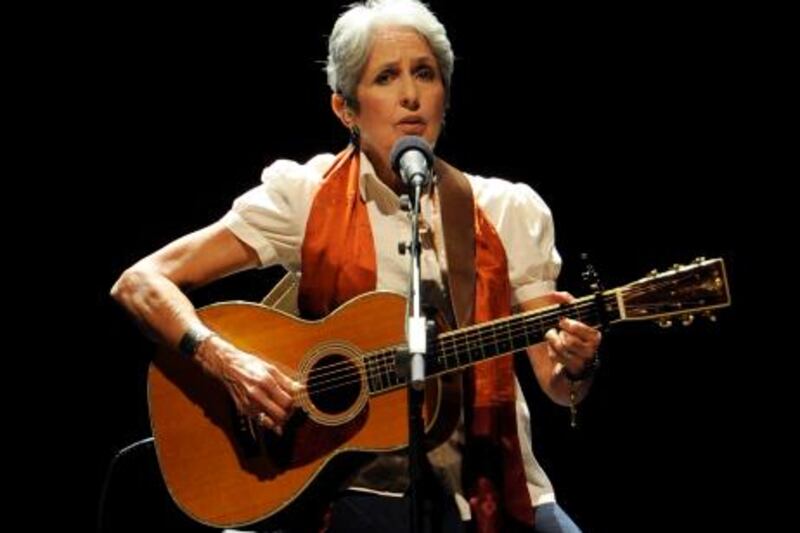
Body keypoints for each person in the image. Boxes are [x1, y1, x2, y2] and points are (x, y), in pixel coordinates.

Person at [110, 1, 602, 532]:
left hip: (490, 486)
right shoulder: (304, 196)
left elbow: (555, 381)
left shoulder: (507, 210)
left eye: (425, 74)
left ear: (446, 97)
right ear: (345, 109)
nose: (410, 94)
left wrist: (576, 363)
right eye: (386, 77)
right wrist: (229, 362)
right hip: (347, 492)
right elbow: (140, 282)